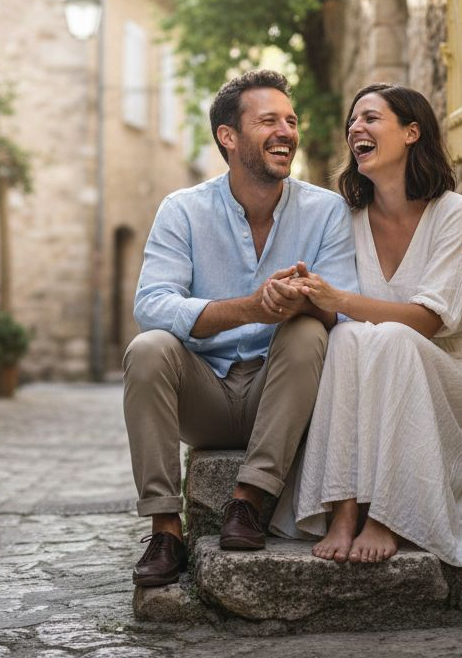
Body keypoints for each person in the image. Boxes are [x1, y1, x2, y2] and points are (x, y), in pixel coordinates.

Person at [124, 69, 359, 587]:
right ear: (228, 137)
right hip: (202, 394)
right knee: (147, 349)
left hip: (282, 394)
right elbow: (153, 305)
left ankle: (249, 501)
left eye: (291, 121)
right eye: (268, 120)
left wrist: (305, 300)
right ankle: (166, 528)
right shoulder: (182, 210)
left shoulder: (326, 211)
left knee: (307, 332)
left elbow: (342, 309)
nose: (286, 132)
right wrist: (250, 308)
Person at [270, 83, 462, 567]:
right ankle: (345, 508)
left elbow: (429, 321)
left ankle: (389, 516)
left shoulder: (455, 213)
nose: (356, 128)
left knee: (392, 334)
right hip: (365, 373)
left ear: (412, 132)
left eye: (371, 118)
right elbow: (338, 314)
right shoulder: (347, 218)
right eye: (352, 121)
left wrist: (343, 299)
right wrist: (304, 294)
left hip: (445, 375)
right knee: (350, 333)